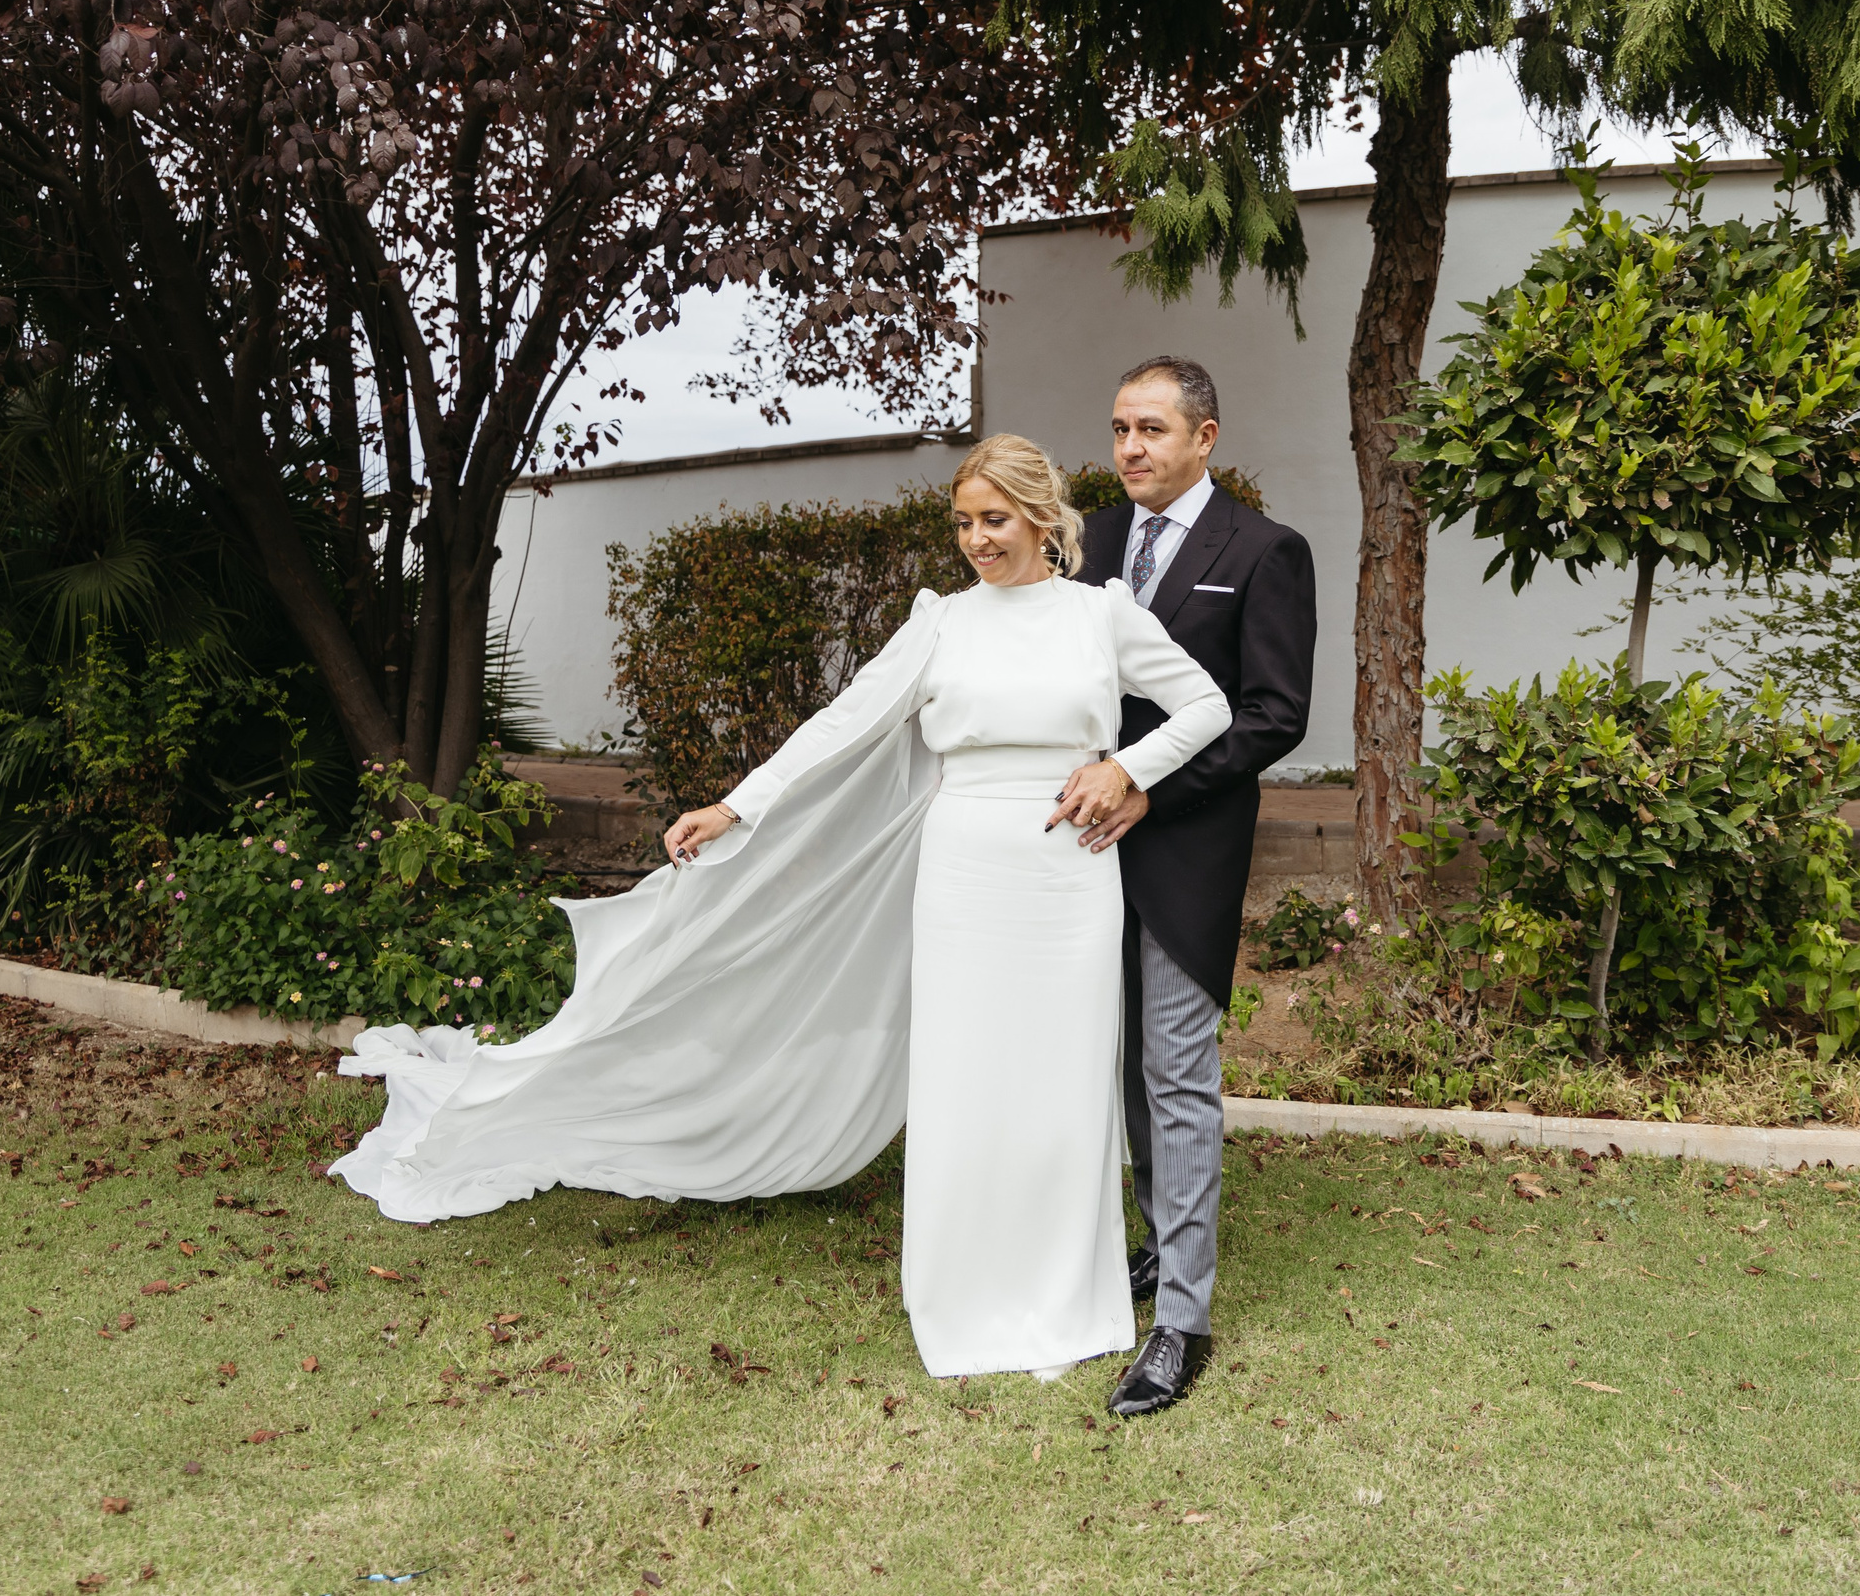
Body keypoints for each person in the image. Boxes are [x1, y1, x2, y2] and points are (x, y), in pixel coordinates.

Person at [328, 435, 1230, 1385]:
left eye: (994, 520)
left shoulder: (1103, 617)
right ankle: (963, 1284)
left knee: (1060, 1081)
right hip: (966, 875)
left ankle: (1061, 1287)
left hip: (1070, 883)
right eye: (962, 522)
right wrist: (736, 804)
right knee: (967, 1078)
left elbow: (1205, 706)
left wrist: (1126, 767)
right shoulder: (943, 624)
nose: (976, 540)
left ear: (1043, 517)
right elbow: (841, 724)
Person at [1068, 357, 1316, 1416]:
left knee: (1174, 1073)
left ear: (1204, 439)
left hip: (1184, 848)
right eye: (1121, 427)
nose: (1130, 447)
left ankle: (1182, 1323)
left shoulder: (1264, 552)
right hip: (1073, 848)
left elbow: (1273, 715)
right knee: (1116, 1067)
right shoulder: (1082, 540)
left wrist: (1145, 786)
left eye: (1153, 429)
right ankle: (1153, 1248)